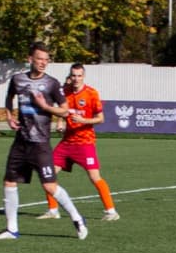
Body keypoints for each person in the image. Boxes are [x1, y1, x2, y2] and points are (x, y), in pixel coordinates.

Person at [0, 43, 87, 241]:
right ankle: (12, 229)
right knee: (9, 182)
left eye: (46, 59)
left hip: (40, 143)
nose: (44, 63)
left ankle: (77, 218)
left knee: (49, 187)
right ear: (30, 59)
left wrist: (45, 106)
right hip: (21, 141)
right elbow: (9, 97)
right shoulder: (17, 79)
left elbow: (64, 110)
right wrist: (9, 116)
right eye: (40, 59)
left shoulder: (52, 84)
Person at [40, 62, 119, 221]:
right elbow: (63, 111)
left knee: (94, 177)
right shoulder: (65, 93)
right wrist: (61, 122)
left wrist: (83, 120)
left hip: (85, 142)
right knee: (48, 174)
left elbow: (101, 119)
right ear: (70, 76)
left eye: (79, 76)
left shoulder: (91, 93)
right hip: (67, 142)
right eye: (73, 76)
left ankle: (111, 211)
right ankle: (53, 210)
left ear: (83, 76)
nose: (76, 79)